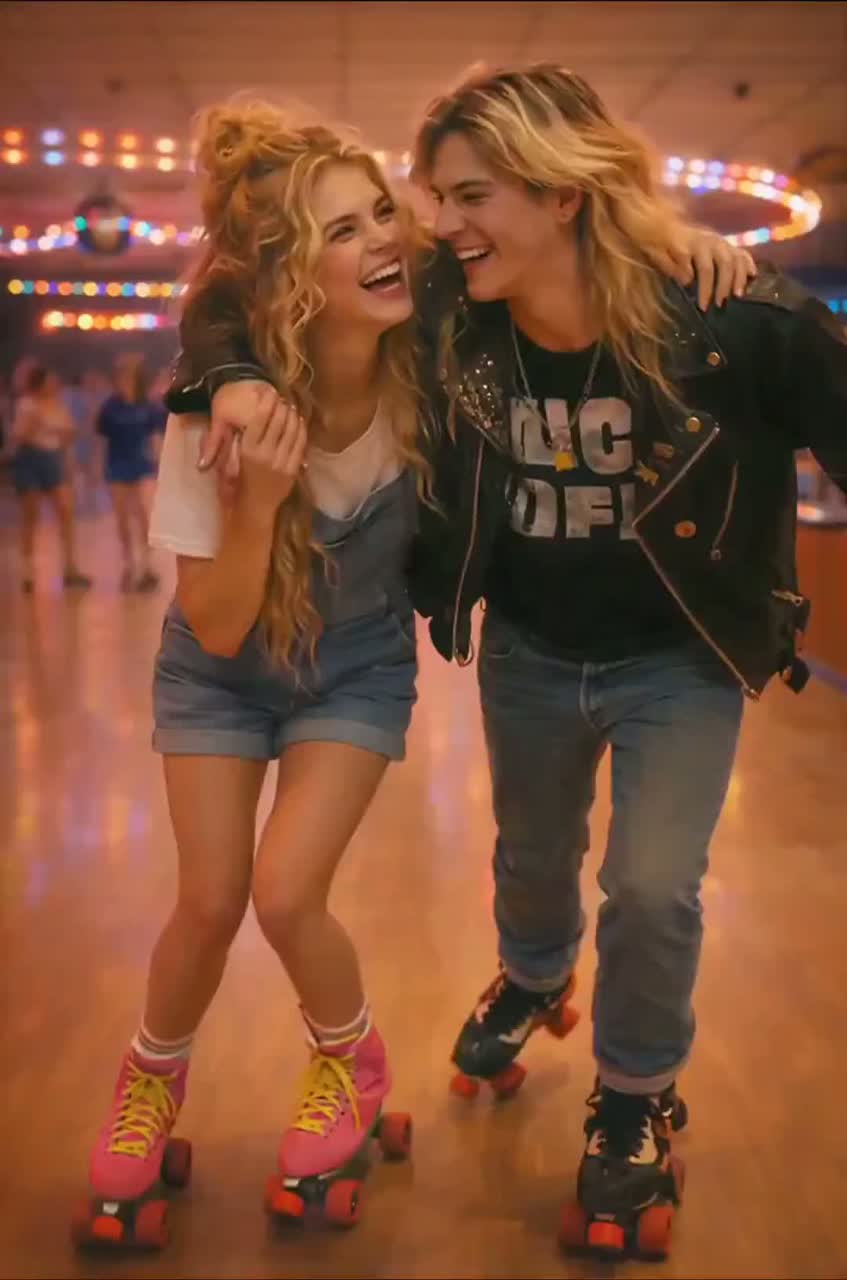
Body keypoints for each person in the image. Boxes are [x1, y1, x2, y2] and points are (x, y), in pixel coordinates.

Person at [163, 71, 786, 1256]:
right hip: (531, 642)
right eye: (432, 199)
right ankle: (532, 973)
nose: (431, 225)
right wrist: (233, 375)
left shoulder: (695, 311)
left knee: (652, 885)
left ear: (562, 194)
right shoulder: (448, 305)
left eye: (459, 197)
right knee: (533, 851)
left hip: (677, 652)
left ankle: (634, 1094)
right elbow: (236, 294)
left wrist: (679, 239)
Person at [76, 100, 424, 1248]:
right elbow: (217, 626)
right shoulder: (211, 417)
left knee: (285, 893)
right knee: (210, 900)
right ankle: (148, 1078)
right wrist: (261, 499)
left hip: (354, 665)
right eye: (343, 231)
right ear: (290, 278)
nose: (383, 239)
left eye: (383, 213)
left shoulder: (429, 380)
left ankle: (349, 1062)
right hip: (219, 673)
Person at [11, 365, 91, 593]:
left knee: (66, 512)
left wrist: (52, 429)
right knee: (31, 517)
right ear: (40, 383)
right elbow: (20, 434)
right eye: (50, 381)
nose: (54, 384)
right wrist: (41, 426)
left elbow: (70, 431)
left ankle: (70, 568)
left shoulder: (57, 404)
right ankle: (28, 572)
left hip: (52, 458)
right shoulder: (26, 404)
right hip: (31, 459)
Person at [97, 356, 167, 591]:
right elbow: (101, 439)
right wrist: (97, 469)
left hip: (143, 464)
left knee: (144, 513)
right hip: (117, 465)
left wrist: (159, 465)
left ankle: (147, 567)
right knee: (122, 519)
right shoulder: (110, 407)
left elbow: (156, 437)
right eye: (121, 375)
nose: (125, 380)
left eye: (129, 375)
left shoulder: (148, 406)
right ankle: (129, 565)